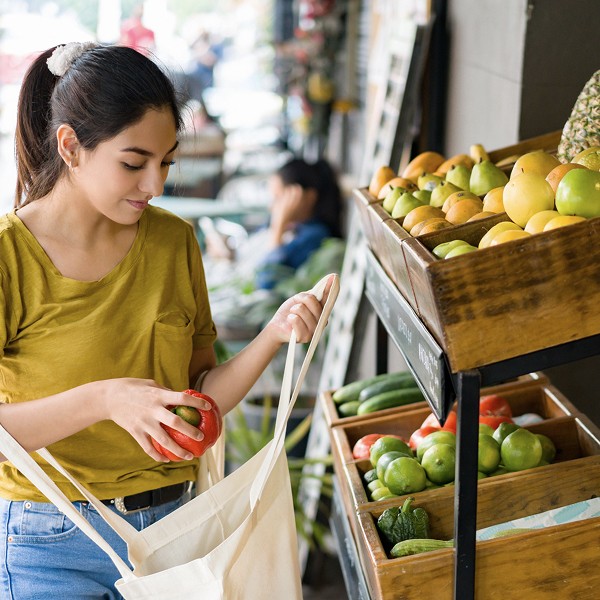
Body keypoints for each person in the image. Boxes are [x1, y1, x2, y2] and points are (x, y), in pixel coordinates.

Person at [0, 41, 332, 599]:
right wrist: (105, 400)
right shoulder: (11, 256)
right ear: (71, 147)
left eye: (167, 162)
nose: (154, 185)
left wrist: (274, 334)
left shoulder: (175, 242)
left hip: (176, 532)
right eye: (134, 163)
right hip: (49, 540)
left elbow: (200, 395)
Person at [255, 157, 344, 289]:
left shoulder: (315, 235)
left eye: (277, 198)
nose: (271, 206)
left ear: (308, 197)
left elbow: (265, 282)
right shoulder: (300, 229)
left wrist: (278, 225)